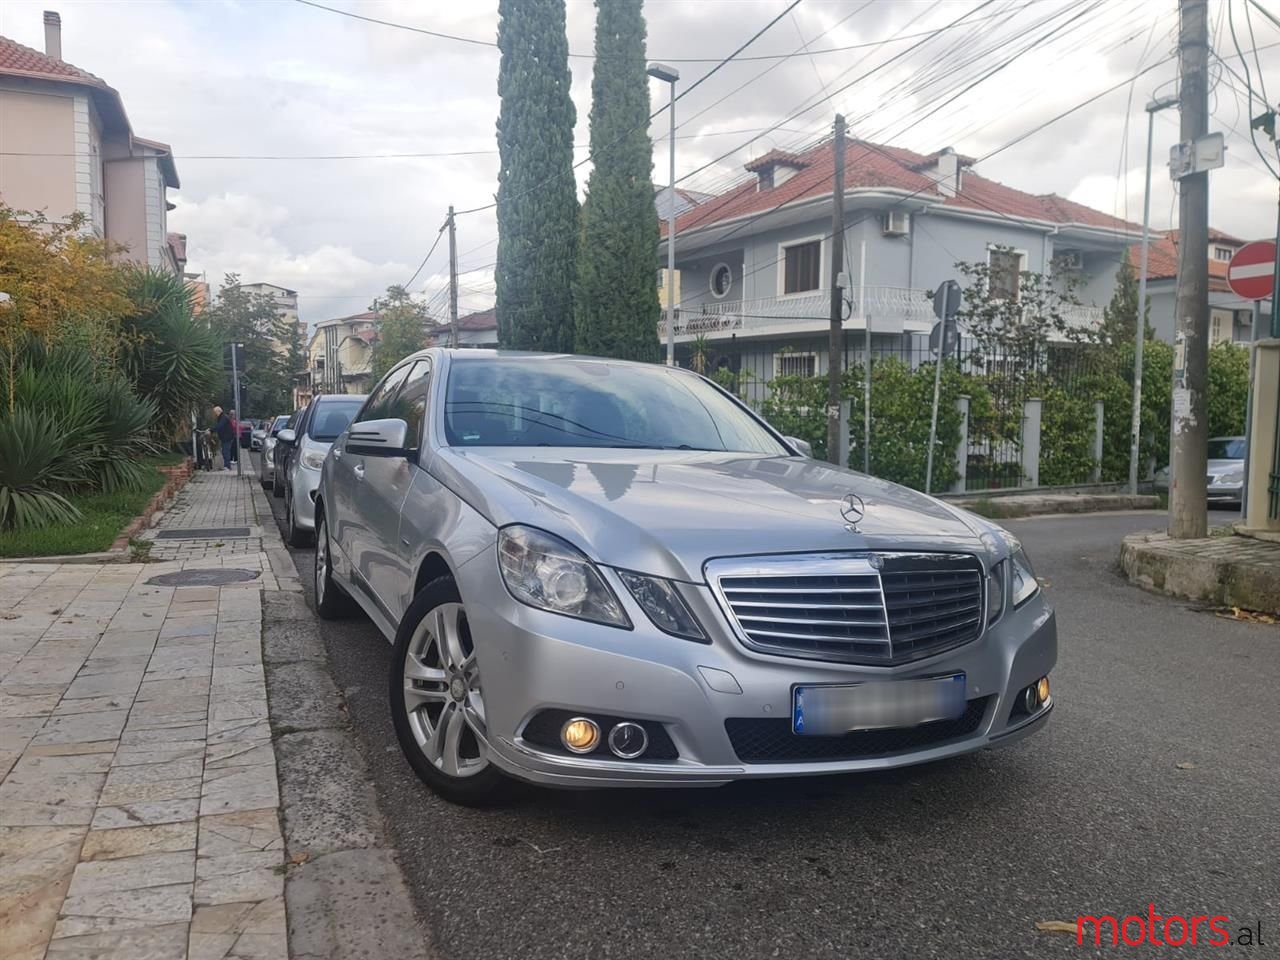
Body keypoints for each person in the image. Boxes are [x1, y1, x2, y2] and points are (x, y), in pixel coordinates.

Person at [213, 405, 235, 470]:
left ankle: (227, 466)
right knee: (225, 451)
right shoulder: (223, 417)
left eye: (215, 412)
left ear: (218, 411)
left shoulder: (223, 418)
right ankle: (227, 465)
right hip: (226, 437)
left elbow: (220, 426)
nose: (215, 414)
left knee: (226, 451)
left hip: (227, 438)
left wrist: (211, 430)